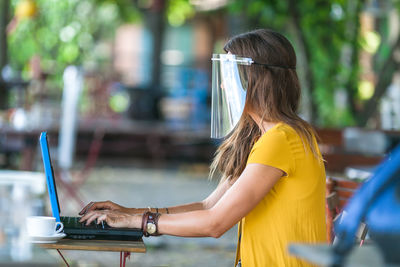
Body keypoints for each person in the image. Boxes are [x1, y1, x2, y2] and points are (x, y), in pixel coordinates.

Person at [79, 29, 327, 267]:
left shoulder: (281, 140)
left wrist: (138, 222)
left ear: (255, 79)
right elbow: (208, 206)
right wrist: (130, 213)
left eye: (229, 75)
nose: (221, 86)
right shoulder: (269, 137)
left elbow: (215, 223)